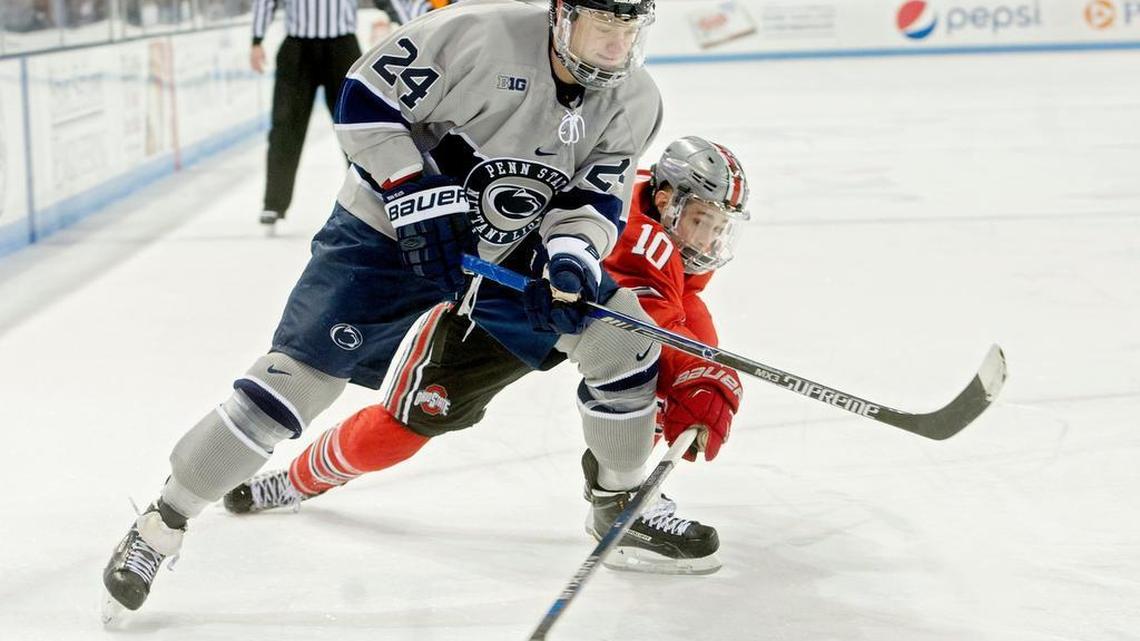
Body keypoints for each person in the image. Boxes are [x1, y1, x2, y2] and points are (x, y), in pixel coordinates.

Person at [101, 0, 663, 618]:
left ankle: (619, 501)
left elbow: (593, 199)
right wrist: (412, 190)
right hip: (387, 233)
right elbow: (366, 98)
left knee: (623, 338)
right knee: (295, 384)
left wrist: (571, 255)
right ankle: (163, 522)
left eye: (629, 28)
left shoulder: (635, 98)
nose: (616, 45)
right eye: (603, 24)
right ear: (562, 15)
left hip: (509, 246)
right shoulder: (475, 33)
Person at [224, 136, 751, 575]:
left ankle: (622, 501)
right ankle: (292, 482)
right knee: (403, 428)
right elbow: (657, 317)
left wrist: (706, 371)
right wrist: (702, 373)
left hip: (580, 316)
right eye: (701, 219)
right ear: (664, 197)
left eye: (718, 225)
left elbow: (682, 302)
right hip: (501, 315)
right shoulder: (641, 239)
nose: (708, 239)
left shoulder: (661, 220)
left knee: (641, 378)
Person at [251, 0, 369, 232]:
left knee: (355, 126)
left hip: (342, 46)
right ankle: (274, 203)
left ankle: (368, 199)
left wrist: (408, 22)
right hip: (298, 49)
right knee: (285, 125)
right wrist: (257, 39)